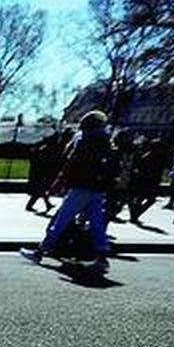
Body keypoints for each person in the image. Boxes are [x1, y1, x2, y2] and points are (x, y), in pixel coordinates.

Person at [20, 110, 116, 273]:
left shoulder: (85, 141)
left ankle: (40, 252)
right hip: (97, 188)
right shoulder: (106, 142)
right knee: (96, 224)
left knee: (61, 220)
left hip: (81, 186)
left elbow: (73, 163)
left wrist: (62, 181)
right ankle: (102, 257)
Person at [127, 139, 170, 224]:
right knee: (142, 200)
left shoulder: (159, 158)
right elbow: (141, 170)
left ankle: (135, 215)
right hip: (145, 181)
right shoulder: (147, 157)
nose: (161, 149)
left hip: (153, 182)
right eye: (159, 147)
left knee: (148, 200)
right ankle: (134, 215)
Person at [105, 130, 137, 222]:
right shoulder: (114, 151)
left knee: (118, 200)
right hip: (116, 179)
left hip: (125, 178)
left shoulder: (131, 150)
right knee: (112, 200)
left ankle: (111, 214)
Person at [25, 134, 58, 214]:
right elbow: (43, 162)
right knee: (40, 190)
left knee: (40, 190)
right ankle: (46, 204)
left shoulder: (42, 149)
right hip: (40, 173)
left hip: (39, 172)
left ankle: (46, 204)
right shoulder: (44, 150)